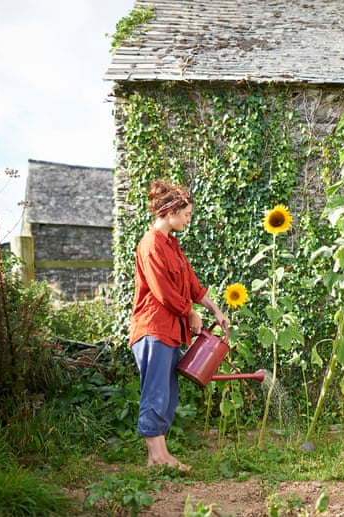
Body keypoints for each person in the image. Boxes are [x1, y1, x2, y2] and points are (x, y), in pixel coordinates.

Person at [129, 178, 229, 470]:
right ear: (171, 212)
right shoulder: (150, 246)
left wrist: (214, 309)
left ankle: (157, 457)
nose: (188, 219)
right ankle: (158, 458)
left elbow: (192, 285)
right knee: (156, 392)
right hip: (153, 330)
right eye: (186, 215)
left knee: (167, 395)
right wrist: (190, 313)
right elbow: (163, 292)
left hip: (169, 333)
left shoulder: (172, 245)